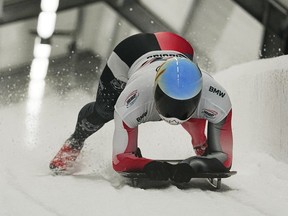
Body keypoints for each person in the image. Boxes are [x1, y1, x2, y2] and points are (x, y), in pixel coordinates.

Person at [50, 32, 233, 183]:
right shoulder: (132, 101)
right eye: (169, 102)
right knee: (104, 111)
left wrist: (191, 166)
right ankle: (74, 141)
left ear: (200, 93)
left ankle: (199, 142)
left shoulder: (217, 98)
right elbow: (119, 159)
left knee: (196, 117)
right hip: (129, 55)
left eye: (185, 104)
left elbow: (225, 160)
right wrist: (146, 164)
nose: (175, 113)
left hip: (178, 47)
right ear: (155, 91)